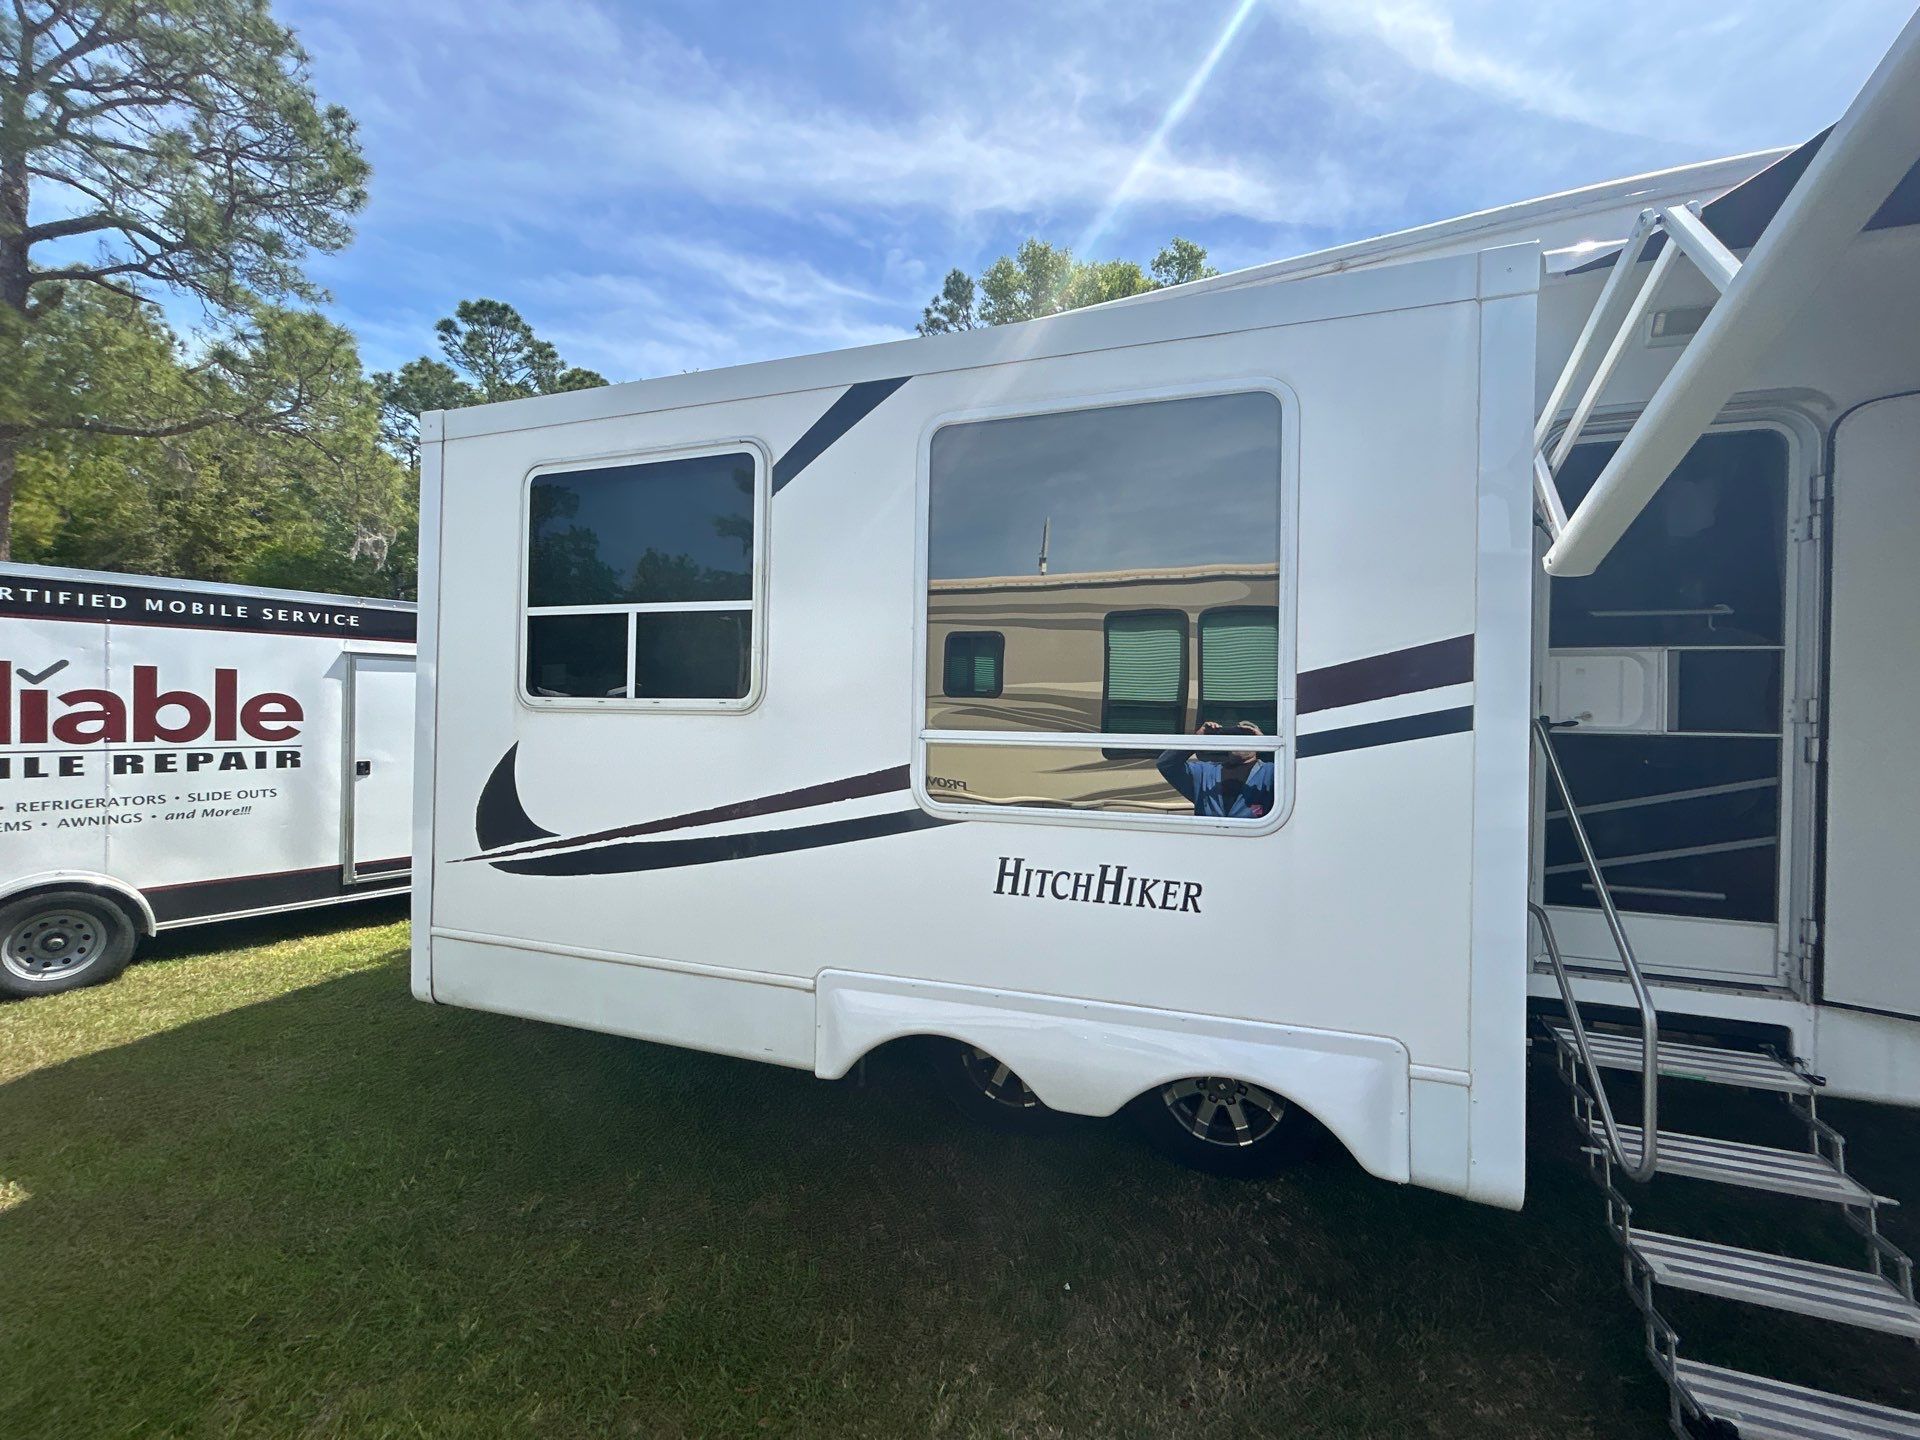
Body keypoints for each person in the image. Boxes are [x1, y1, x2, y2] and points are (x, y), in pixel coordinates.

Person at [1156, 720, 1274, 818]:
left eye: (1248, 736)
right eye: (1235, 735)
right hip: (1210, 841)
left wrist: (1268, 744)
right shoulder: (1204, 773)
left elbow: (1291, 773)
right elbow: (1166, 764)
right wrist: (1197, 738)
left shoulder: (1270, 772)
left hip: (1254, 842)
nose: (1241, 740)